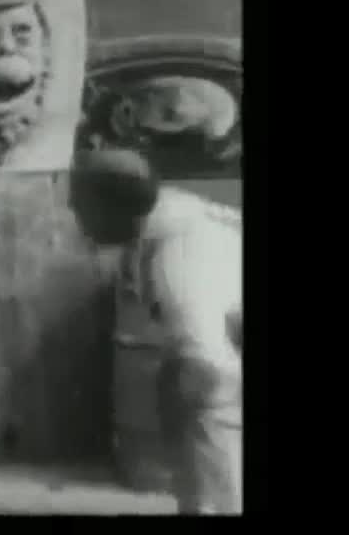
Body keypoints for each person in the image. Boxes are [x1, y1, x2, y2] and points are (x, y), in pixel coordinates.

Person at [68, 148, 242, 514]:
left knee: (200, 398)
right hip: (222, 344)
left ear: (112, 207)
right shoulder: (165, 212)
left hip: (215, 367)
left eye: (80, 206)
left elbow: (210, 374)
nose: (74, 215)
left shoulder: (178, 261)